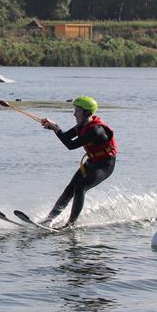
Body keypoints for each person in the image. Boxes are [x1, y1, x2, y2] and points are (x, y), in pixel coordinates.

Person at [40, 96, 117, 228]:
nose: (74, 113)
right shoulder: (82, 125)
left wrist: (55, 128)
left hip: (105, 165)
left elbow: (70, 145)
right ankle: (49, 219)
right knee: (70, 189)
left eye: (77, 110)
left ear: (87, 113)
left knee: (80, 188)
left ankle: (70, 224)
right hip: (91, 162)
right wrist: (53, 127)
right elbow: (67, 136)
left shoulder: (96, 130)